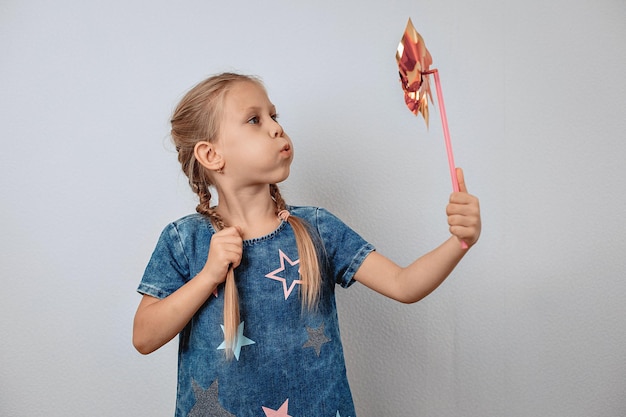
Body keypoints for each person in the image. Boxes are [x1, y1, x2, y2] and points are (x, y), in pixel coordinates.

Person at [133, 72, 481, 417]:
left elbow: (404, 285)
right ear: (211, 155)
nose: (275, 128)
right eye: (254, 119)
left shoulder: (316, 228)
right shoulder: (184, 240)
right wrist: (208, 276)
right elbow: (144, 337)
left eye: (274, 116)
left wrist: (459, 242)